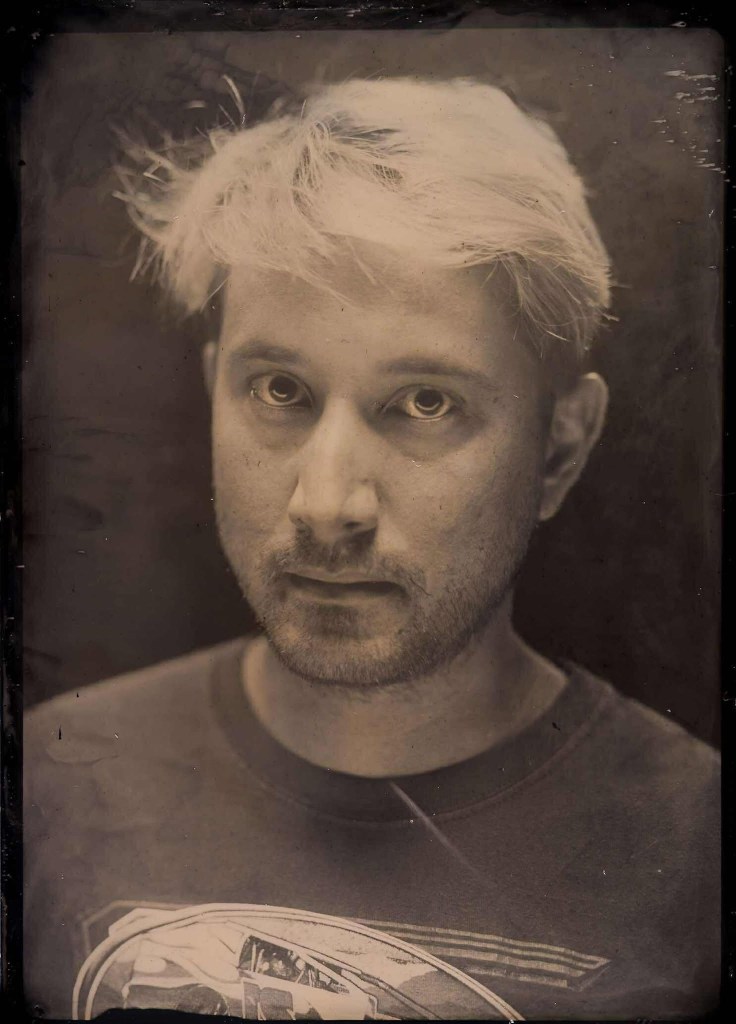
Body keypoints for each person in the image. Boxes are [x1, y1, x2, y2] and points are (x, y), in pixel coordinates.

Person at [24, 76, 720, 1021]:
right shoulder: (51, 785)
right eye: (280, 391)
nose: (325, 505)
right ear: (212, 390)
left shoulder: (697, 849)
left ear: (560, 448)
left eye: (425, 403)